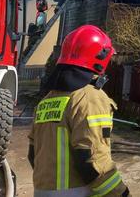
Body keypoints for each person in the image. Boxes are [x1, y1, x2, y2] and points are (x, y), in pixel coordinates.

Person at [29, 25, 129, 196]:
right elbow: (92, 161)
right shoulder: (90, 98)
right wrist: (121, 194)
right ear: (101, 57)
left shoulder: (47, 100)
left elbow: (33, 155)